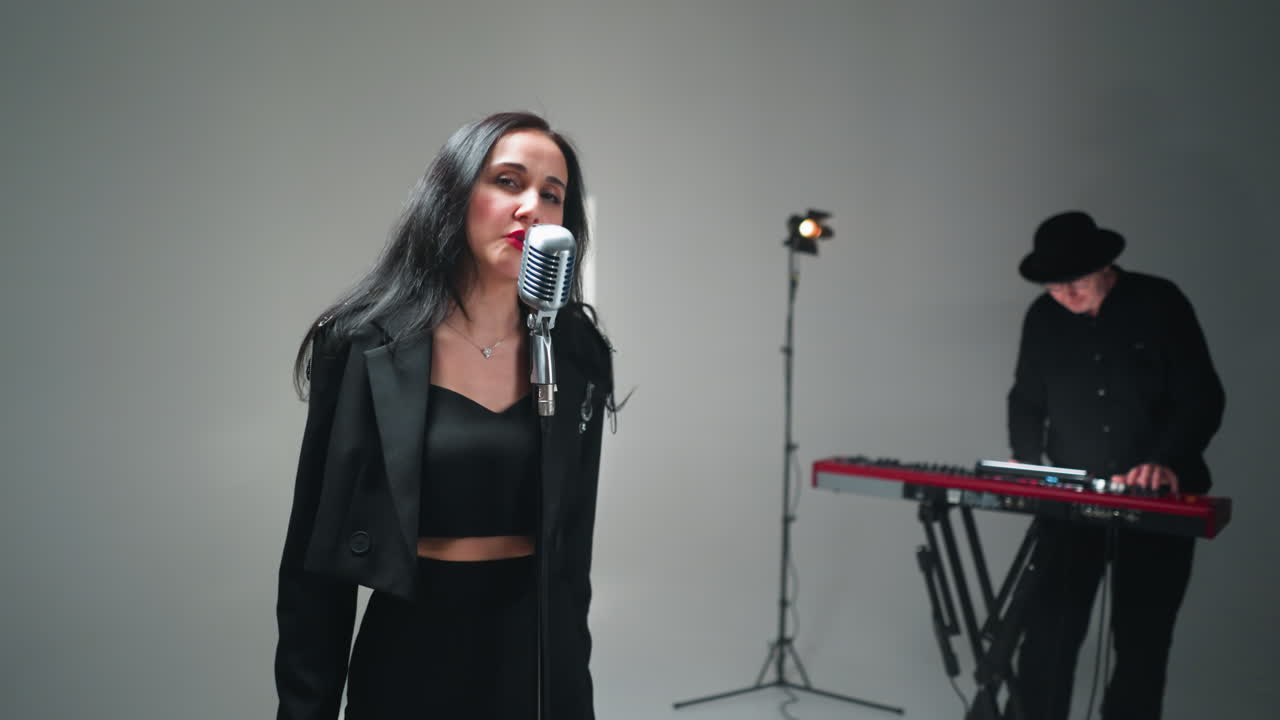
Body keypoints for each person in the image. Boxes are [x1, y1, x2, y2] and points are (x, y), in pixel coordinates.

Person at [274, 111, 617, 720]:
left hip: (531, 656)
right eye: (508, 182)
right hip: (411, 653)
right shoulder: (362, 346)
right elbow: (313, 565)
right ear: (455, 194)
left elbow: (571, 565)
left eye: (552, 194)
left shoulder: (576, 353)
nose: (530, 207)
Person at [1006, 210, 1225, 719]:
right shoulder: (1043, 317)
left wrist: (1163, 461)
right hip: (1071, 503)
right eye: (1054, 286)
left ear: (1107, 264)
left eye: (1075, 283)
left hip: (1157, 501)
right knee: (1047, 633)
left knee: (1142, 641)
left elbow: (1202, 395)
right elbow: (1026, 400)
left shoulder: (1161, 301)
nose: (1065, 296)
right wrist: (1026, 461)